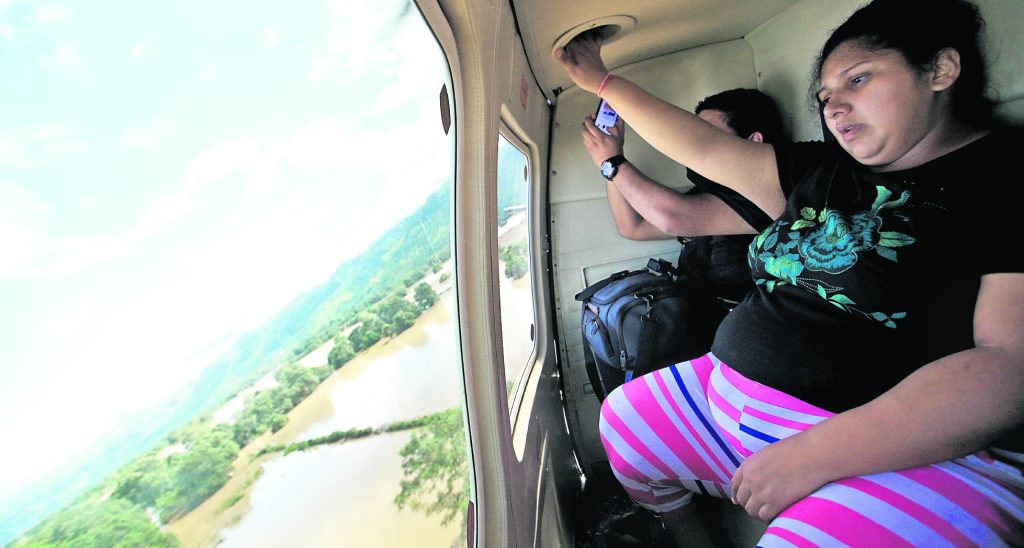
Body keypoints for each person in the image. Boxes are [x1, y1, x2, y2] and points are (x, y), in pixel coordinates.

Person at [554, 0, 1024, 544]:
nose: (835, 108)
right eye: (825, 97)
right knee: (623, 422)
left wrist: (815, 454)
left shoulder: (1004, 175)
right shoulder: (820, 170)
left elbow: (1009, 365)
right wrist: (603, 83)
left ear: (940, 70)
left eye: (859, 79)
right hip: (727, 396)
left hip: (897, 443)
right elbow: (703, 149)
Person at [584, 88, 785, 303]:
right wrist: (612, 161)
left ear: (754, 141)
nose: (693, 146)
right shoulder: (709, 192)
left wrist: (612, 162)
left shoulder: (768, 195)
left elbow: (673, 217)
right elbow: (633, 227)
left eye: (709, 136)